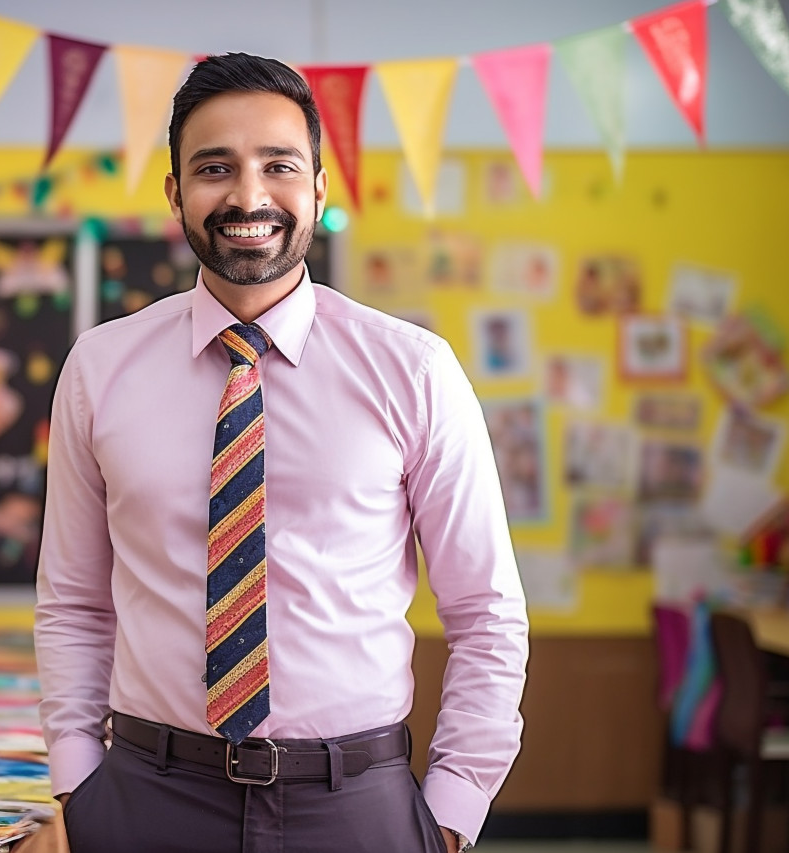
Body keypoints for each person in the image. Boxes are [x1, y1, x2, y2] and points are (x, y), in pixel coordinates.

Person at [35, 52, 528, 853]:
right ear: (175, 194)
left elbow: (486, 613)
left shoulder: (415, 369)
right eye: (214, 168)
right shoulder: (98, 369)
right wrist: (77, 781)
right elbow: (74, 603)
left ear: (320, 189)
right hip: (143, 798)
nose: (248, 196)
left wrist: (451, 812)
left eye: (278, 165)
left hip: (357, 805)